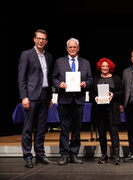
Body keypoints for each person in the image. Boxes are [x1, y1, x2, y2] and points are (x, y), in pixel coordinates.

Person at [52, 38, 93, 165]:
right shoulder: (59, 62)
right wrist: (60, 84)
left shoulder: (85, 62)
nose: (72, 49)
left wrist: (85, 83)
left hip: (79, 100)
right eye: (70, 47)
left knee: (77, 128)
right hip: (64, 100)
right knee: (64, 128)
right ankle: (64, 154)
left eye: (74, 47)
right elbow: (53, 79)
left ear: (78, 48)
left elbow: (90, 79)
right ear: (66, 48)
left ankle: (74, 154)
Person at [18, 29, 54, 168]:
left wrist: (50, 96)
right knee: (28, 127)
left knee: (41, 128)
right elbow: (21, 78)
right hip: (31, 96)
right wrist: (24, 96)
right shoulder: (26, 54)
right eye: (38, 38)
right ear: (34, 39)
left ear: (46, 41)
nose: (41, 41)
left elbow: (48, 78)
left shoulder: (49, 56)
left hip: (45, 95)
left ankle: (40, 155)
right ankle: (27, 156)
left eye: (43, 39)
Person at [91, 58, 123, 165]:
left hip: (112, 109)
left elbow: (121, 92)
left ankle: (116, 156)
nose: (105, 68)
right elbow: (91, 93)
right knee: (101, 133)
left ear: (110, 67)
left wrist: (114, 95)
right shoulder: (95, 78)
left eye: (107, 66)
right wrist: (95, 97)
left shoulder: (116, 78)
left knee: (114, 133)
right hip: (99, 109)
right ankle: (104, 155)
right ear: (100, 67)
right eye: (103, 66)